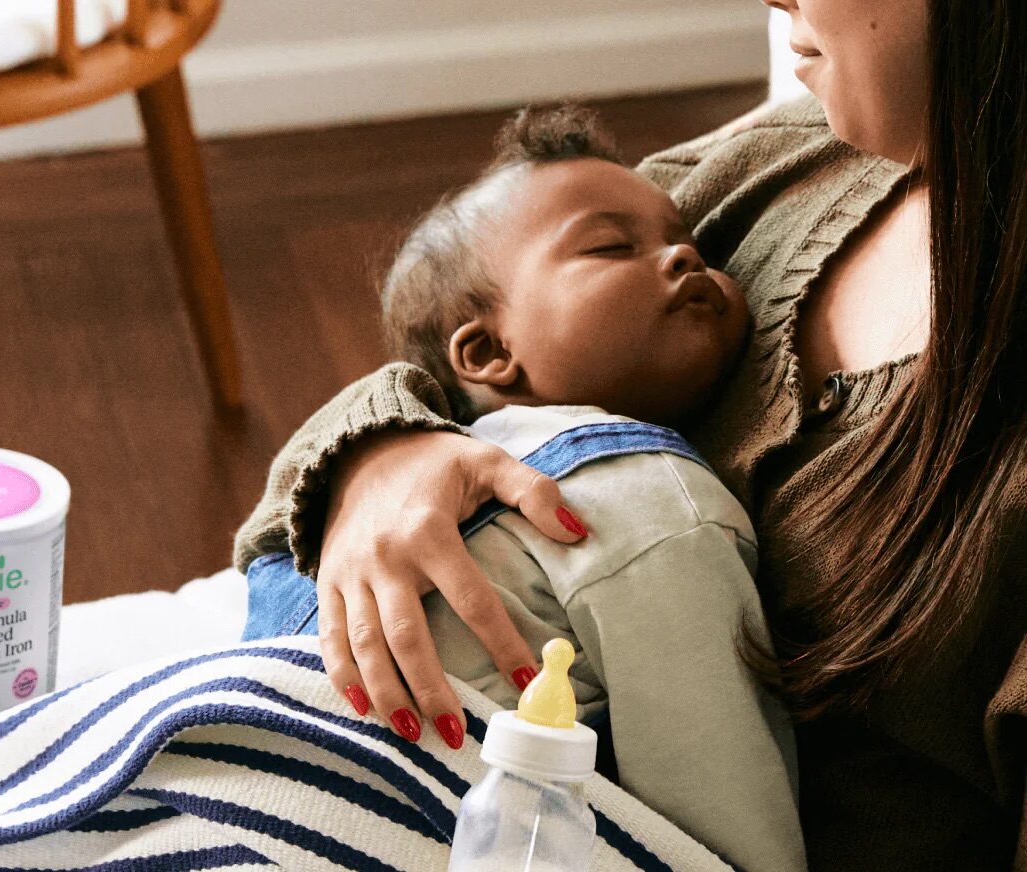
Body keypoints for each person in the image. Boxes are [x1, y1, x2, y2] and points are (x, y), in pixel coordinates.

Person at [232, 0, 1027, 868]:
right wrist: (381, 453)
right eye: (616, 248)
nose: (681, 256)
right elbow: (471, 319)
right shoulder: (782, 163)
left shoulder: (661, 520)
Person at [241, 106, 805, 872]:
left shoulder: (367, 481)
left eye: (694, 246)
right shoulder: (649, 503)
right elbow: (724, 812)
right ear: (488, 353)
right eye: (612, 248)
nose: (683, 259)